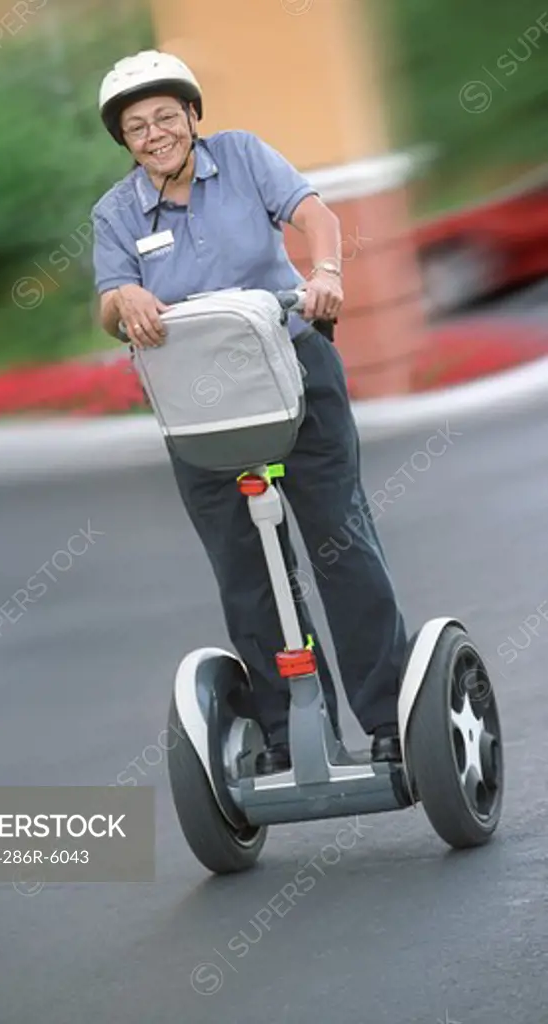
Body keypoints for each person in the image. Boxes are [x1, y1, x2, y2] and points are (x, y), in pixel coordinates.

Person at [91, 50, 409, 772]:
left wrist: (324, 272)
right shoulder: (113, 213)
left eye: (166, 116)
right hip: (198, 405)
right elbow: (111, 304)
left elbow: (313, 214)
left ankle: (390, 717)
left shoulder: (239, 157)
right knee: (245, 569)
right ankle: (286, 731)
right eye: (137, 126)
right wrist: (125, 301)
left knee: (340, 542)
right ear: (125, 141)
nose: (154, 133)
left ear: (191, 116)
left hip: (293, 371)